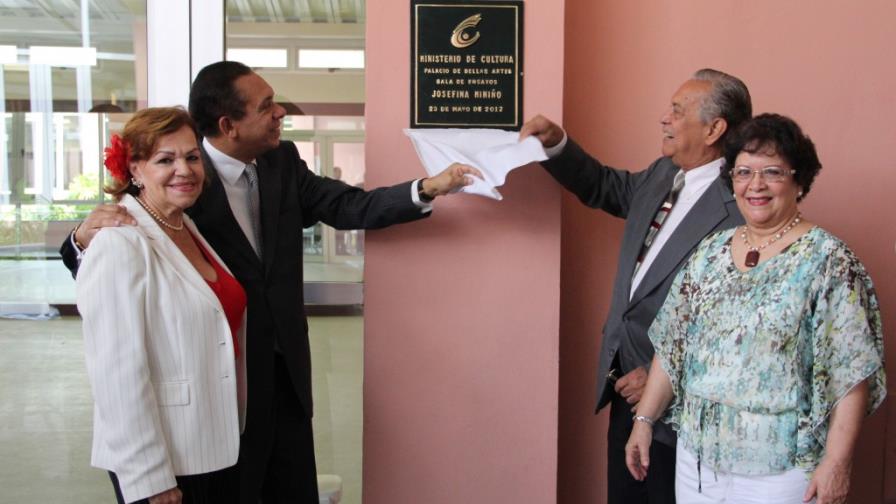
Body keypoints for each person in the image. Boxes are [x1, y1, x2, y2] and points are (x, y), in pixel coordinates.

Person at [61, 61, 480, 503]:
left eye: (188, 158)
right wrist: (79, 239)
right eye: (266, 106)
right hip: (222, 385)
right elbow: (115, 305)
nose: (280, 112)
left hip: (285, 371)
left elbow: (347, 206)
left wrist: (427, 188)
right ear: (229, 125)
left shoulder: (281, 162)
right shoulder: (177, 194)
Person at [624, 114, 886, 504]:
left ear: (799, 180)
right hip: (697, 464)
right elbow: (673, 345)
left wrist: (837, 461)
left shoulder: (828, 260)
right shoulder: (710, 252)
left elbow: (850, 374)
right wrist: (643, 421)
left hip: (781, 471)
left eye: (772, 172)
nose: (755, 185)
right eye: (743, 172)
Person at [520, 68, 751, 503]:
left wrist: (666, 378)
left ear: (715, 129)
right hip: (624, 382)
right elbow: (606, 187)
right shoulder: (664, 174)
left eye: (678, 111)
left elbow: (738, 324)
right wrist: (555, 144)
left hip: (676, 403)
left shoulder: (741, 205)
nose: (664, 118)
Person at [77, 107, 246, 504]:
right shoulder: (120, 243)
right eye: (165, 160)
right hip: (164, 461)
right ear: (134, 169)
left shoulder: (185, 226)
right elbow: (116, 373)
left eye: (191, 157)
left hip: (211, 444)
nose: (184, 170)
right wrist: (150, 476)